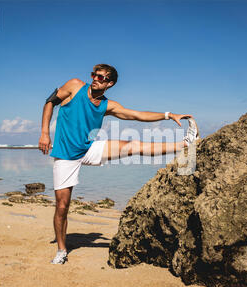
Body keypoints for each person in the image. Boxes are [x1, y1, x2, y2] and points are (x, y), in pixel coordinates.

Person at [38, 64, 199, 264]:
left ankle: (186, 143)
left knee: (134, 146)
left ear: (110, 83)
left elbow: (137, 115)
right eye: (94, 75)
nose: (96, 79)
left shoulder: (107, 105)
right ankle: (61, 250)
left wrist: (168, 115)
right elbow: (49, 102)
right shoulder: (74, 86)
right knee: (62, 206)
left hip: (88, 148)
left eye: (102, 78)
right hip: (65, 155)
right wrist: (45, 133)